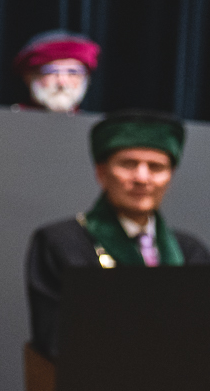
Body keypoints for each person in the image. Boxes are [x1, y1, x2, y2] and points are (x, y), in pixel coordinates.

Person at [25, 111, 208, 358]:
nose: (142, 178)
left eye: (156, 167)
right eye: (128, 164)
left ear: (170, 177)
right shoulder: (60, 244)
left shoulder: (190, 253)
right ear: (101, 172)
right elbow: (56, 342)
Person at [13, 29, 99, 113]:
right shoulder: (11, 119)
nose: (62, 83)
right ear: (29, 77)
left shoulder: (94, 122)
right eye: (52, 72)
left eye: (73, 73)